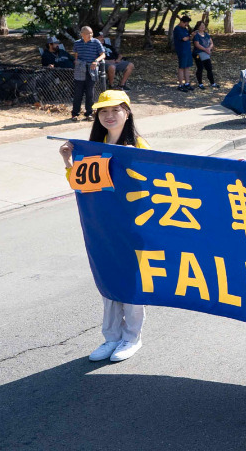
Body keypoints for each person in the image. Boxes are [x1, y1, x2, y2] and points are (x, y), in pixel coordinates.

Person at [59, 90, 149, 362]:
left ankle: (132, 338)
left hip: (132, 227)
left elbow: (153, 185)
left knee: (131, 282)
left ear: (127, 112)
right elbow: (81, 185)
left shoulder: (139, 144)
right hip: (102, 226)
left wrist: (136, 161)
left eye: (115, 110)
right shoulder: (92, 148)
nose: (109, 116)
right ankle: (111, 338)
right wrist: (67, 161)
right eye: (103, 111)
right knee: (108, 280)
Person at [71, 26, 106, 121]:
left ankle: (89, 113)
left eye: (91, 33)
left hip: (91, 70)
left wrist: (96, 61)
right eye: (87, 33)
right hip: (80, 69)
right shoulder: (77, 43)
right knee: (78, 93)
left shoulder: (96, 42)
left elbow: (103, 54)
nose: (90, 35)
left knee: (90, 93)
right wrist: (77, 62)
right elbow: (76, 55)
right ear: (82, 34)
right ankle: (75, 114)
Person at [191, 21, 219, 90]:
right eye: (201, 26)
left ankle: (212, 83)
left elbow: (211, 43)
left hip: (206, 54)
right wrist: (205, 49)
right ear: (198, 27)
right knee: (200, 68)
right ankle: (200, 83)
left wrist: (209, 48)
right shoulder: (196, 35)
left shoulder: (206, 34)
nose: (203, 27)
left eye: (203, 25)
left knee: (209, 68)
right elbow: (197, 44)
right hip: (198, 54)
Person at [174, 15, 194, 91]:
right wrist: (190, 36)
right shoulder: (177, 29)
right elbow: (184, 38)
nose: (186, 25)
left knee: (187, 67)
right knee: (181, 67)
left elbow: (189, 38)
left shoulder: (185, 29)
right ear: (182, 22)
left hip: (187, 50)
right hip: (182, 50)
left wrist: (192, 35)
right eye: (186, 23)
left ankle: (187, 83)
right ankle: (180, 84)